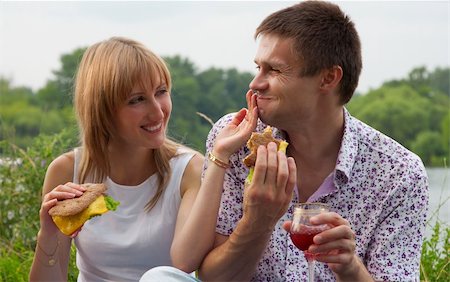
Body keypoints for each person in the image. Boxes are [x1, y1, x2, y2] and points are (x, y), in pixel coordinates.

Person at [141, 1, 429, 281]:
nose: (256, 83)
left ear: (328, 79)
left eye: (274, 70)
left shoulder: (399, 174)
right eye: (258, 68)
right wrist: (258, 221)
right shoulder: (239, 141)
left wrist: (349, 269)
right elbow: (212, 276)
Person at [28, 36, 257, 281]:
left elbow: (186, 264)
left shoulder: (189, 171)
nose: (158, 112)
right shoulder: (66, 171)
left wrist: (219, 157)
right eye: (137, 99)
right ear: (102, 108)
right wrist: (49, 233)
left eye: (161, 92)